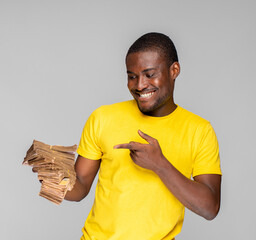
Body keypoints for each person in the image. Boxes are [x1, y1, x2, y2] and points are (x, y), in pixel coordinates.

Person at [64, 32, 222, 240]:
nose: (139, 85)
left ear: (174, 70)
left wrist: (160, 164)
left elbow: (210, 208)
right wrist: (54, 178)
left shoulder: (199, 130)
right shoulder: (103, 117)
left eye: (149, 74)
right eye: (132, 76)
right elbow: (81, 187)